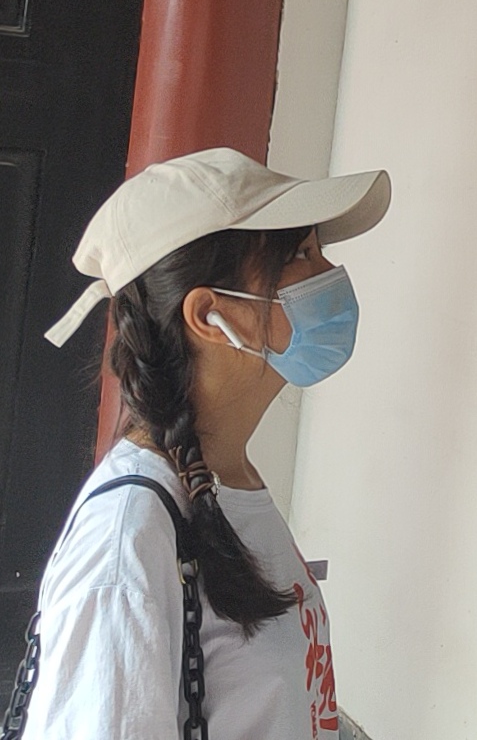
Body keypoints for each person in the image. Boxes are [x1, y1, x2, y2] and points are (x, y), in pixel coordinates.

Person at [19, 147, 390, 739]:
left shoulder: (228, 482)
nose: (330, 273)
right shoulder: (127, 541)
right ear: (211, 315)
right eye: (300, 255)